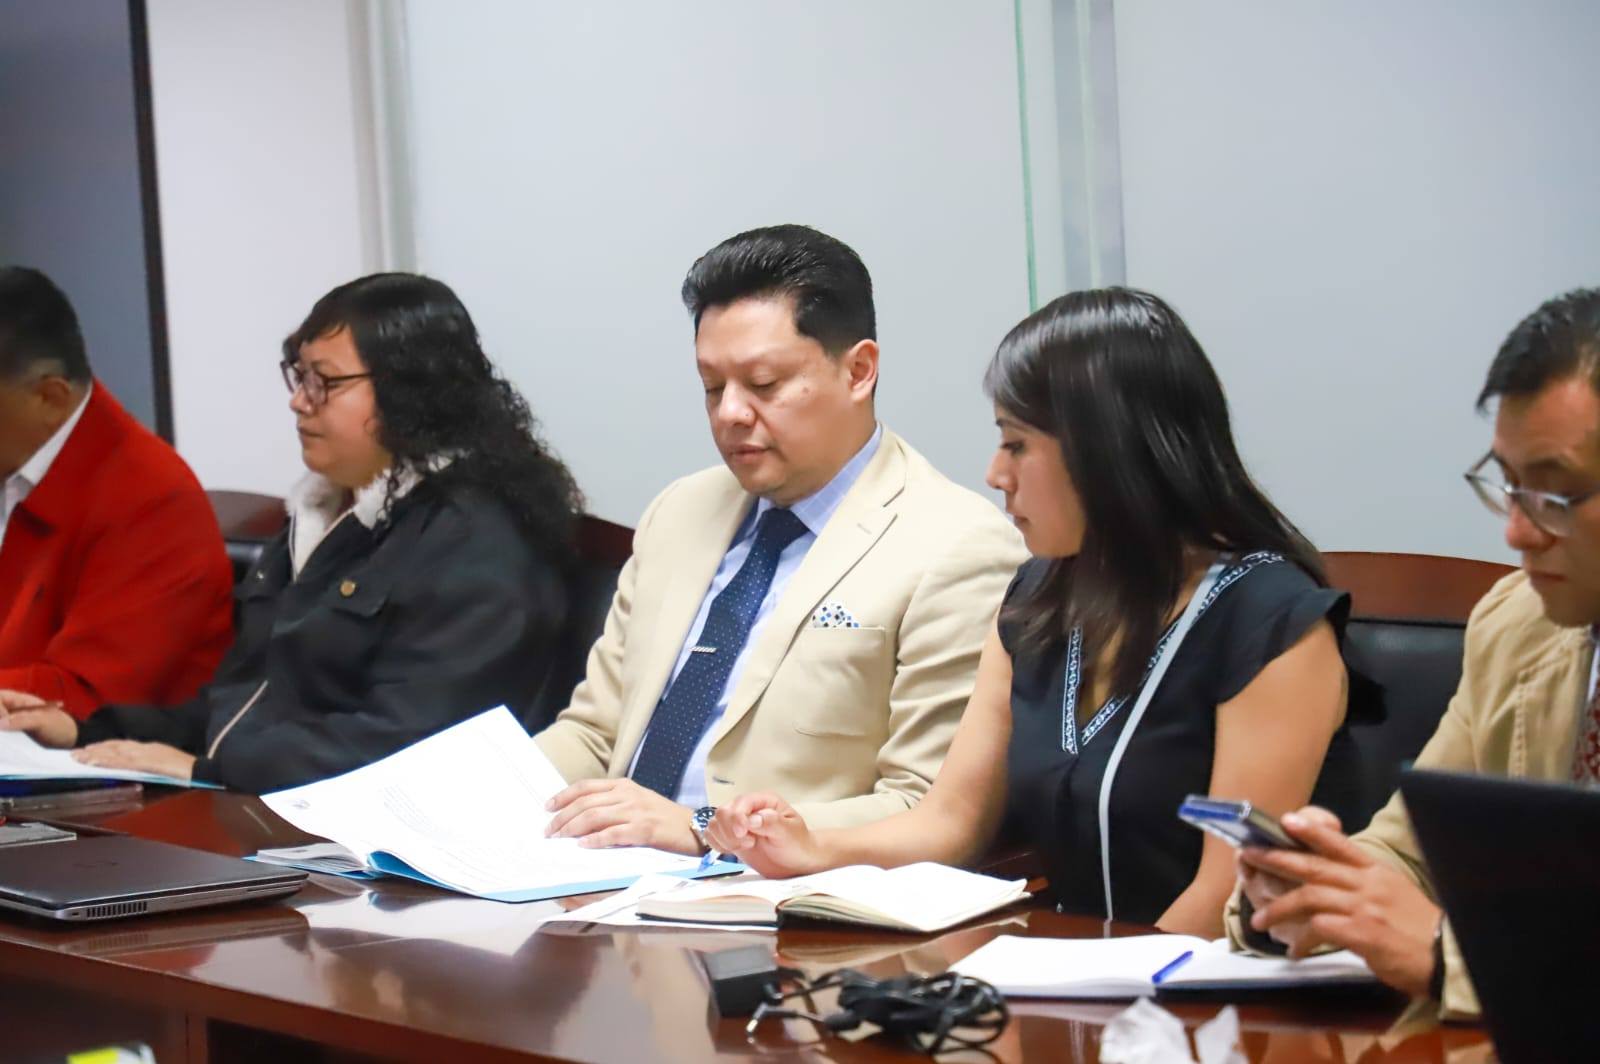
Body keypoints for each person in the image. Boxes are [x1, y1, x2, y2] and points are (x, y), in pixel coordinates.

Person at [708, 287, 1365, 937]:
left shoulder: (1272, 622)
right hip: (1077, 979)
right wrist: (811, 847)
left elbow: (1223, 897)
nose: (996, 473)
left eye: (1017, 444)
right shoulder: (1037, 598)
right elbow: (952, 821)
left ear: (1109, 451)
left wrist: (1100, 984)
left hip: (1212, 989)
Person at [537, 224, 1027, 855]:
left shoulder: (958, 546)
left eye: (764, 384)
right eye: (712, 386)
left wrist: (703, 828)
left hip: (779, 896)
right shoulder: (680, 511)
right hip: (603, 879)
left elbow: (923, 806)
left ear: (859, 371)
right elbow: (597, 733)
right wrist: (466, 796)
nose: (730, 413)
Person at [0, 272, 580, 793]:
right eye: (298, 377)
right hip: (267, 806)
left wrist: (209, 770)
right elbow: (239, 705)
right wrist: (82, 730)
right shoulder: (324, 513)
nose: (299, 402)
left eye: (324, 382)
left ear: (413, 389)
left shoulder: (475, 537)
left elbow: (409, 743)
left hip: (366, 841)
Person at [1231, 287, 1600, 1019]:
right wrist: (1312, 890)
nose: (1516, 532)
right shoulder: (1519, 627)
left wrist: (1443, 956)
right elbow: (1410, 853)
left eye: (1555, 497)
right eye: (1509, 485)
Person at [0, 266, 232, 717]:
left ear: (49, 398)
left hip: (106, 753)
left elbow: (85, 693)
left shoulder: (152, 502)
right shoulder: (17, 457)